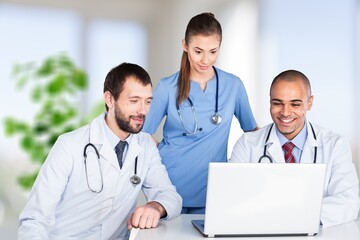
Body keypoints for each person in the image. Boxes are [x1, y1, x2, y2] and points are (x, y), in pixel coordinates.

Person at [18, 62, 182, 239]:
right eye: (134, 101)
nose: (143, 110)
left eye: (148, 101)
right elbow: (34, 219)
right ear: (110, 99)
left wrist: (156, 207)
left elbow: (171, 196)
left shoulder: (146, 146)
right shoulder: (69, 145)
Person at [142, 12, 258, 214]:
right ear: (185, 46)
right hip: (169, 187)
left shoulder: (233, 86)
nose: (206, 59)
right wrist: (162, 154)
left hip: (213, 189)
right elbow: (142, 134)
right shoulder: (168, 87)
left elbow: (253, 133)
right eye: (198, 51)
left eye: (213, 51)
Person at [230, 69, 360, 227]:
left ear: (309, 103)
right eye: (277, 103)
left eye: (295, 104)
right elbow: (233, 200)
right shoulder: (247, 144)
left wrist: (291, 215)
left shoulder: (335, 145)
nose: (285, 113)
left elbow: (348, 203)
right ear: (270, 101)